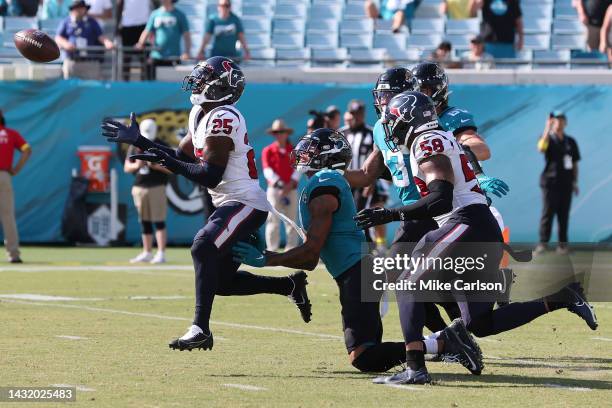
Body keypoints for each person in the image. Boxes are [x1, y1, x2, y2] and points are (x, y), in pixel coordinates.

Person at [356, 91, 597, 385]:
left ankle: (415, 368)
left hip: (465, 223)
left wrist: (391, 215)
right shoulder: (438, 136)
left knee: (407, 283)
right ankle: (562, 297)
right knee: (479, 323)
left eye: (394, 121)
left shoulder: (426, 140)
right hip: (479, 227)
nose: (390, 128)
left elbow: (441, 199)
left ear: (409, 118)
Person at [102, 57, 312, 351]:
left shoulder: (225, 117)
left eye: (204, 78)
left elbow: (209, 175)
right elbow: (183, 157)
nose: (197, 82)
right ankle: (289, 285)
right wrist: (141, 141)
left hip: (245, 202)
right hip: (229, 203)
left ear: (220, 87)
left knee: (202, 246)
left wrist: (164, 160)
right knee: (221, 282)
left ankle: (200, 329)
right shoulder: (200, 113)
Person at [233, 128, 483, 375]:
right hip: (358, 271)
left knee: (363, 357)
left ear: (328, 156)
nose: (304, 154)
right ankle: (442, 341)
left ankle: (444, 342)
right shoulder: (329, 180)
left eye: (312, 150)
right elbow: (365, 176)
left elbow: (310, 256)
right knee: (369, 354)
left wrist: (266, 258)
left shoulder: (324, 186)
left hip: (358, 274)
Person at [343, 65, 509, 334]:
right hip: (416, 207)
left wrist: (477, 172)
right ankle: (455, 333)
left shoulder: (431, 122)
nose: (384, 104)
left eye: (389, 97)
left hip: (433, 206)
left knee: (404, 275)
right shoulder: (381, 129)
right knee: (428, 282)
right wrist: (331, 172)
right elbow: (368, 174)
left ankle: (443, 341)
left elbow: (469, 147)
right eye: (381, 98)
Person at [340, 100, 388, 250]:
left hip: (365, 182)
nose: (356, 117)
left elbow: (378, 161)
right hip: (345, 182)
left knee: (364, 214)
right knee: (346, 215)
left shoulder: (371, 132)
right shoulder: (341, 134)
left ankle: (371, 245)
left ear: (363, 114)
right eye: (353, 114)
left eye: (358, 114)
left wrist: (371, 182)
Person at [124, 118, 171, 264]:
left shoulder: (162, 146)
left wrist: (155, 166)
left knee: (158, 221)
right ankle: (147, 252)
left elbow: (172, 169)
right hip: (139, 186)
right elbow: (127, 167)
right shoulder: (135, 145)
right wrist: (138, 165)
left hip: (157, 186)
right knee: (144, 221)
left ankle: (161, 253)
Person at [535, 112, 580, 255]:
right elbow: (541, 148)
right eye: (556, 120)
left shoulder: (570, 141)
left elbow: (574, 163)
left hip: (566, 183)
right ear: (552, 122)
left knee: (564, 215)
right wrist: (547, 128)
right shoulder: (547, 138)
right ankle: (543, 244)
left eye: (561, 120)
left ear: (565, 122)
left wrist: (574, 182)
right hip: (550, 182)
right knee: (547, 213)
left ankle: (562, 246)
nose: (559, 122)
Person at [262, 119, 300, 251]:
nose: (279, 134)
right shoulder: (268, 151)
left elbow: (298, 169)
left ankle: (291, 250)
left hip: (291, 189)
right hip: (274, 190)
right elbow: (267, 171)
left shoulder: (294, 151)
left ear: (286, 133)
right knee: (273, 220)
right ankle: (272, 250)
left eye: (281, 132)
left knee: (292, 221)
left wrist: (289, 185)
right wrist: (281, 185)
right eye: (276, 132)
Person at [55, 0, 114, 80]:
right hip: (72, 61)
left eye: (82, 8)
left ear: (85, 9)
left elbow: (101, 36)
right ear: (73, 10)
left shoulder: (92, 21)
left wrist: (108, 43)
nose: (79, 10)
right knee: (71, 89)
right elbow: (58, 37)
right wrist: (66, 44)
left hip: (90, 62)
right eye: (77, 8)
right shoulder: (66, 22)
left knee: (92, 88)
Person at [0, 110, 31, 264]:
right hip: (4, 176)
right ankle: (14, 254)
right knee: (7, 216)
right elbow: (26, 150)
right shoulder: (11, 134)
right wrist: (16, 169)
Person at [136, 0, 191, 80]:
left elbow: (187, 35)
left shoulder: (180, 15)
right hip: (157, 57)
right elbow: (147, 31)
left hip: (173, 57)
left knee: (171, 85)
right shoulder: (155, 14)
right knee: (154, 84)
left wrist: (187, 52)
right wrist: (140, 43)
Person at [116, 0, 151, 80]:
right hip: (127, 26)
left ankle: (145, 85)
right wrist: (117, 25)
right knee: (127, 58)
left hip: (144, 26)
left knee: (144, 58)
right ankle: (125, 85)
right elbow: (119, 4)